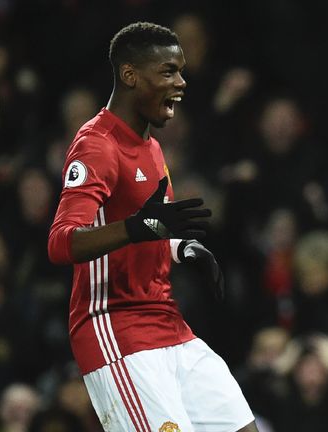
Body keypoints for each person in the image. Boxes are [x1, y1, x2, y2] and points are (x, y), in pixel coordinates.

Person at [47, 22, 257, 432]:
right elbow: (61, 242)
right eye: (168, 72)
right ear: (130, 76)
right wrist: (136, 228)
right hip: (115, 330)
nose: (181, 82)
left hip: (168, 323)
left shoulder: (152, 146)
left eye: (180, 71)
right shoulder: (97, 145)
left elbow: (157, 226)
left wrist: (185, 249)